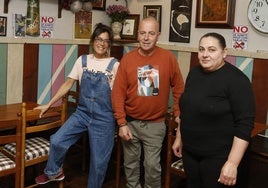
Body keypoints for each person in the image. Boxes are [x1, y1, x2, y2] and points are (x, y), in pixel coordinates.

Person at [35, 23, 120, 188]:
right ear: (93, 40)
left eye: (106, 41)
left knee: (98, 163)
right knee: (57, 140)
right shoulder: (82, 60)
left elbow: (120, 93)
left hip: (104, 118)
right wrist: (48, 104)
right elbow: (67, 84)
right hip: (82, 113)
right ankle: (54, 172)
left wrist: (122, 121)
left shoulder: (115, 64)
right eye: (98, 39)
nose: (102, 43)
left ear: (109, 44)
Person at [172, 32, 255, 188]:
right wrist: (179, 137)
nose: (205, 54)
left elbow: (244, 125)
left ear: (224, 52)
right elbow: (186, 110)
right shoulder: (194, 73)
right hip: (190, 152)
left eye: (211, 50)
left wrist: (232, 163)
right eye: (201, 49)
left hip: (218, 157)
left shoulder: (237, 80)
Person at [111, 17, 185, 188]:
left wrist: (178, 112)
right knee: (130, 165)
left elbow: (179, 88)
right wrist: (121, 123)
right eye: (143, 33)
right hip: (130, 123)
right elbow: (118, 93)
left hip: (156, 125)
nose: (146, 37)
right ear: (137, 34)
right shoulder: (127, 60)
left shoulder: (168, 58)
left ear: (158, 35)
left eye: (151, 33)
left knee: (152, 167)